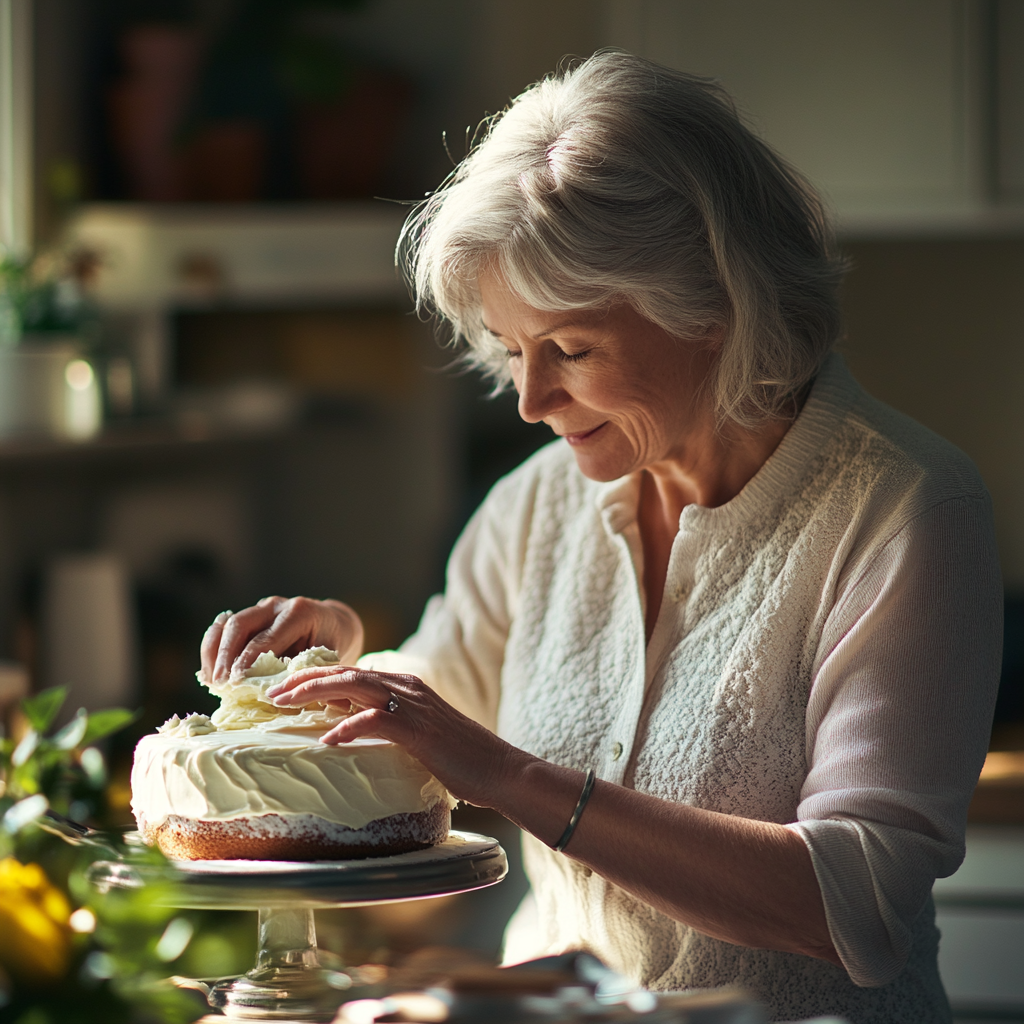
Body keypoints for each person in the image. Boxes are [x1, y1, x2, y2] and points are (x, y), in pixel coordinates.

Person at [201, 52, 1002, 1023]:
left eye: (569, 350)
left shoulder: (904, 509)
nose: (533, 400)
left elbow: (855, 903)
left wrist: (510, 775)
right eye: (510, 352)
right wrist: (347, 657)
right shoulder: (533, 507)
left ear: (709, 304)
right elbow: (433, 725)